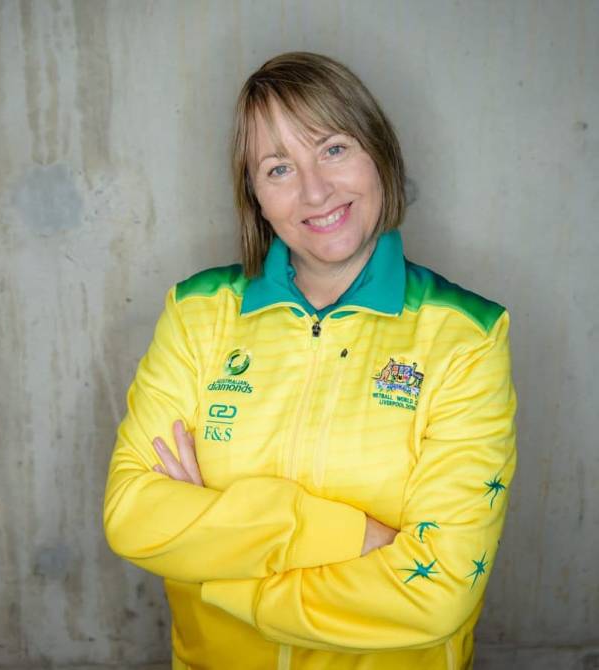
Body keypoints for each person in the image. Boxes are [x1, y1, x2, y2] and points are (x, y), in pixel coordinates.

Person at [104, 52, 517, 670]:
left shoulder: (467, 337)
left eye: (333, 149)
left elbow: (437, 593)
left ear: (378, 153)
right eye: (278, 168)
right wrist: (355, 538)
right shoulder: (197, 313)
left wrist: (218, 568)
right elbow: (132, 516)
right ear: (255, 196)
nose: (315, 191)